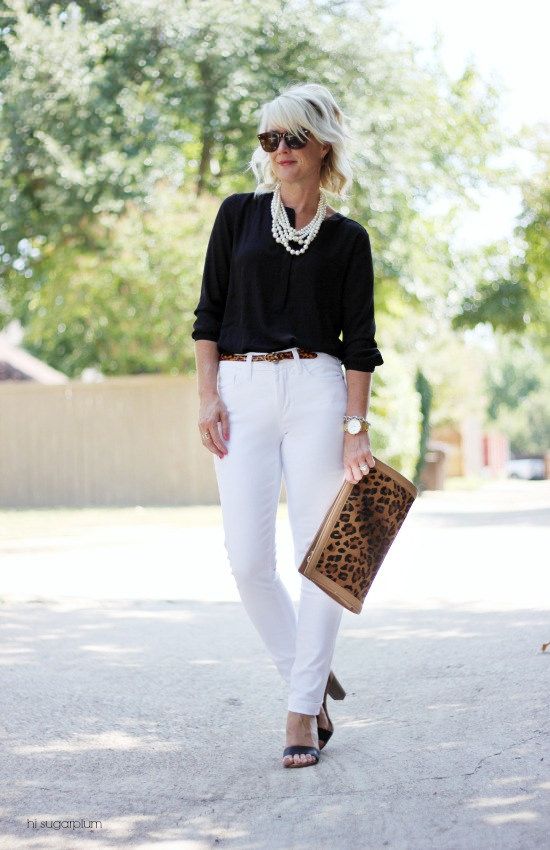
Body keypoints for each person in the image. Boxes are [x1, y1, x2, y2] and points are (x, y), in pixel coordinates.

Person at [191, 82, 384, 768]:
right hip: (240, 389)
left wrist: (356, 426)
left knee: (322, 557)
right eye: (268, 138)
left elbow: (360, 343)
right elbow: (208, 315)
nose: (279, 149)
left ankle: (302, 708)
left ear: (322, 144)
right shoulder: (237, 215)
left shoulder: (348, 239)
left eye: (292, 137)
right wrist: (208, 396)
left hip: (317, 391)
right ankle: (309, 670)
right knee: (247, 561)